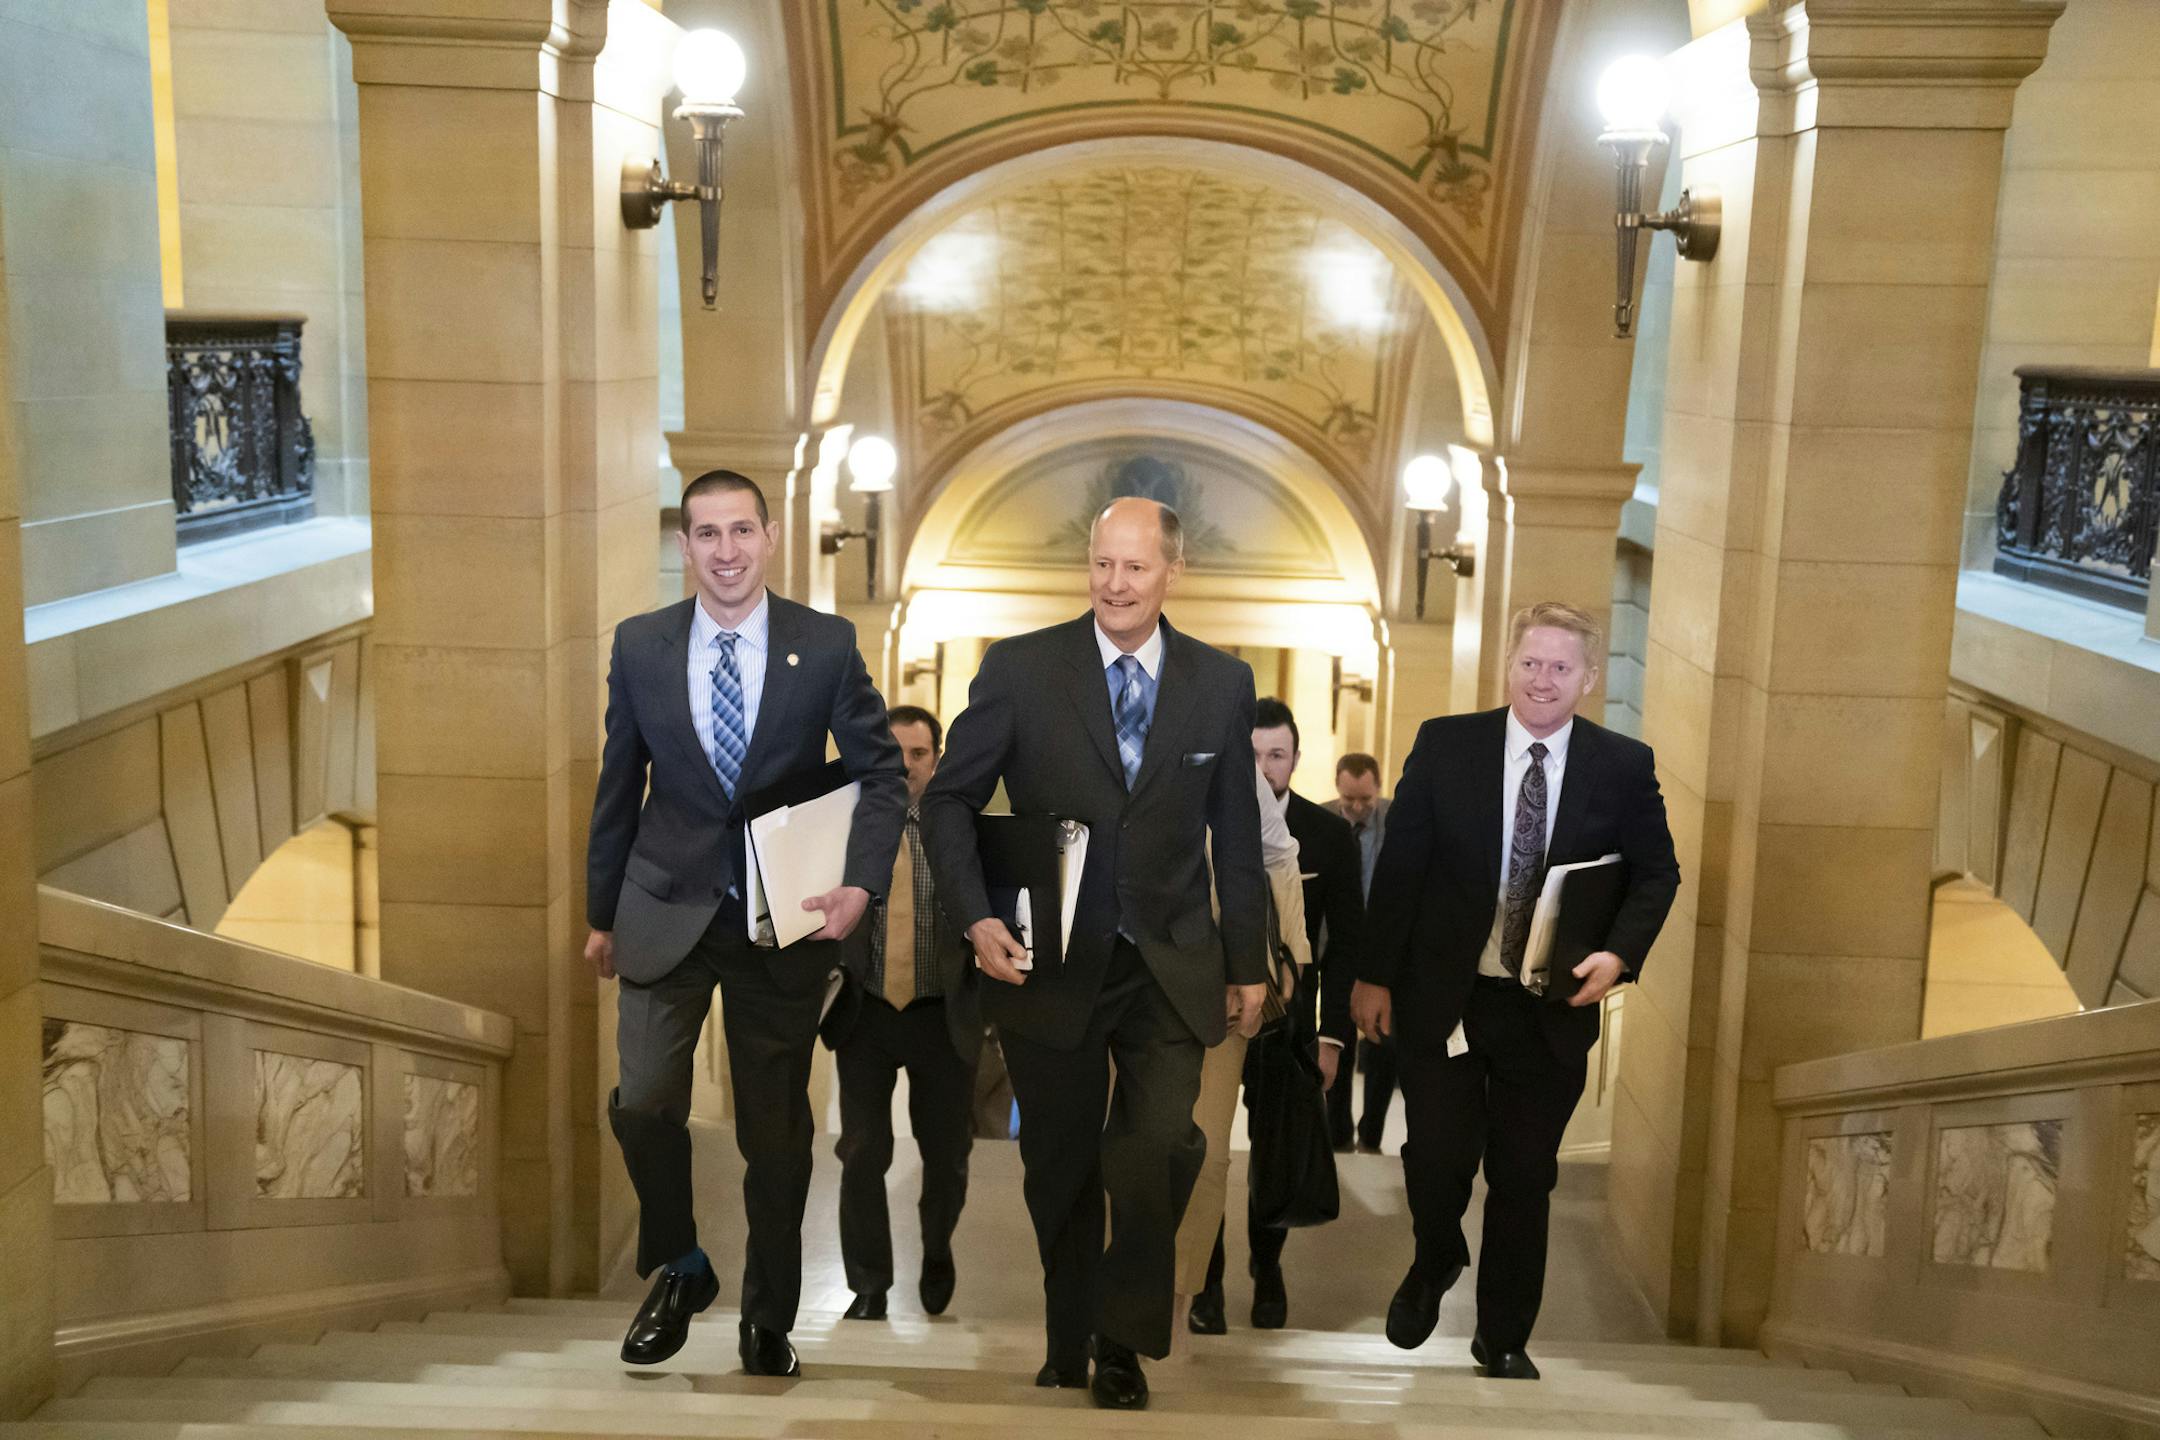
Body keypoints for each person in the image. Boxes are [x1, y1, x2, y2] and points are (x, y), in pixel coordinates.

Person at [919, 497, 1268, 1412]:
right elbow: (948, 801)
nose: (1116, 584)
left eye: (1136, 568)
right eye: (1103, 564)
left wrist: (1248, 963)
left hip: (1169, 958)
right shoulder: (1023, 669)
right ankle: (1067, 1328)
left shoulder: (1220, 684)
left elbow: (1233, 832)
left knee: (1158, 1146)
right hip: (1049, 960)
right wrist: (974, 917)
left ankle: (1120, 1340)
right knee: (1060, 1166)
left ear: (1171, 573)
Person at [585, 470, 906, 1376]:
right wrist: (600, 913)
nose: (724, 551)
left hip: (783, 914)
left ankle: (768, 1318)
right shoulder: (642, 645)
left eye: (739, 532)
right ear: (683, 546)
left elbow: (882, 776)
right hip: (663, 903)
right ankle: (683, 1266)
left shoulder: (828, 644)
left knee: (776, 1136)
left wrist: (860, 885)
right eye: (705, 534)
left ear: (768, 537)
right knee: (644, 1100)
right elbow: (619, 786)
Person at [1354, 601, 1679, 1380]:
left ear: (1589, 679)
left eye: (1561, 667)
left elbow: (1656, 873)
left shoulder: (1623, 767)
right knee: (1434, 1157)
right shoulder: (1447, 745)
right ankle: (1435, 1260)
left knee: (1525, 1175)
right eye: (1530, 663)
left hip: (1548, 1009)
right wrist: (1372, 975)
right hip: (1448, 994)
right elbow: (1400, 870)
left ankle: (1502, 1337)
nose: (1542, 680)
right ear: (1509, 666)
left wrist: (1619, 955)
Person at [1186, 697, 1360, 1335]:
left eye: (1276, 755)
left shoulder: (1327, 834)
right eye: (1251, 755)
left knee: (1275, 1149)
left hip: (1288, 1022)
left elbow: (1347, 944)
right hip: (1209, 1016)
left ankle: (1268, 1266)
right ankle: (1203, 1282)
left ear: (1295, 758)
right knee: (1204, 1148)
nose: (1262, 769)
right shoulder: (1200, 821)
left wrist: (1333, 1037)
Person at [831, 705, 981, 1322]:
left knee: (946, 1155)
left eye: (918, 754)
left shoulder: (961, 828)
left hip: (941, 1013)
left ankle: (938, 1246)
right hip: (865, 1009)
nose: (906, 765)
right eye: (894, 754)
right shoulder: (849, 824)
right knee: (863, 1149)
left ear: (936, 759)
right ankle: (868, 1283)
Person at [1172, 754, 1306, 1342]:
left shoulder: (1219, 744)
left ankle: (1175, 1304)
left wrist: (1286, 963)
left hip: (1221, 984)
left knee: (1205, 1152)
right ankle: (1110, 1298)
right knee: (1112, 1146)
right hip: (1113, 974)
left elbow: (1277, 856)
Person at [1326, 753, 1393, 1153]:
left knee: (1382, 1042)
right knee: (1337, 1037)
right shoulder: (1322, 820)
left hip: (1382, 949)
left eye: (1365, 800)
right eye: (1348, 799)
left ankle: (1372, 1135)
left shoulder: (1397, 821)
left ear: (1378, 789)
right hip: (1337, 947)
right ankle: (1337, 1132)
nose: (1356, 808)